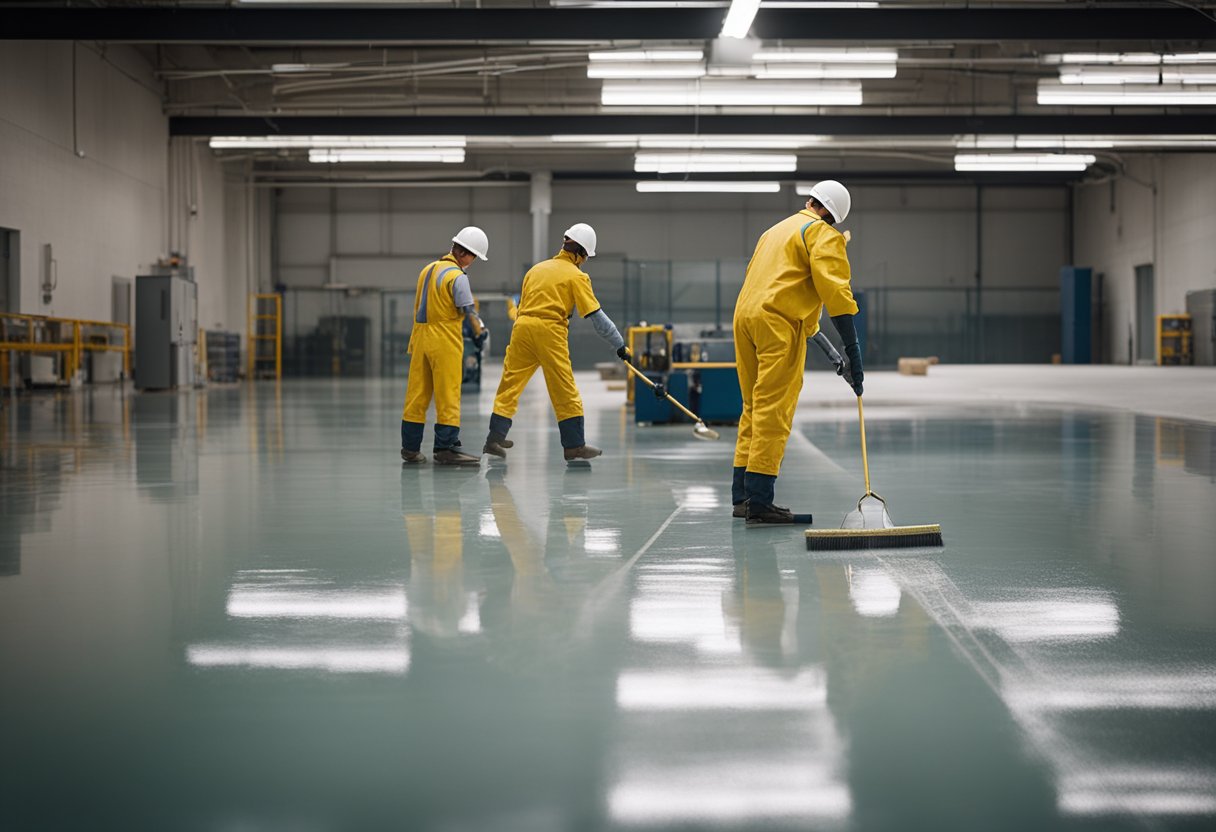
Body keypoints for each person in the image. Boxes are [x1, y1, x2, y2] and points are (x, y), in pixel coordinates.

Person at [732, 180, 865, 524]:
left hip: (745, 318)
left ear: (812, 201)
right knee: (773, 409)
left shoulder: (776, 231)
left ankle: (742, 497)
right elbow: (836, 293)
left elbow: (799, 306)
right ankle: (760, 503)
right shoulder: (821, 234)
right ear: (830, 216)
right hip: (777, 324)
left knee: (752, 407)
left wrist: (836, 356)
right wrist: (854, 349)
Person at [482, 223, 630, 462]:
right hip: (549, 330)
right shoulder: (577, 276)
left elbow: (522, 307)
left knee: (510, 383)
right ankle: (574, 446)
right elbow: (597, 318)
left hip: (521, 327)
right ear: (581, 253)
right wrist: (619, 344)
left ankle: (494, 438)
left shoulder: (535, 270)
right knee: (563, 387)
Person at [400, 226, 490, 466]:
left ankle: (410, 449)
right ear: (466, 254)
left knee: (416, 395)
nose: (472, 262)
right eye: (474, 257)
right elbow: (468, 310)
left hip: (420, 338)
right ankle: (446, 448)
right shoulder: (457, 277)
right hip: (444, 339)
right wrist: (480, 332)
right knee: (448, 394)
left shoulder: (427, 270)